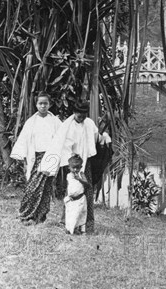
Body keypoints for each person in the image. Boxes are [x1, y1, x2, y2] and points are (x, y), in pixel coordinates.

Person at [40, 100, 111, 233]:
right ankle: (67, 223)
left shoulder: (89, 123)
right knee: (72, 193)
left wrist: (105, 138)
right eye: (79, 116)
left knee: (87, 192)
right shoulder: (68, 126)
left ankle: (87, 225)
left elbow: (96, 138)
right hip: (73, 164)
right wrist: (73, 165)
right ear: (74, 113)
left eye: (84, 115)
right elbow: (63, 146)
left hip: (86, 162)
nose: (82, 118)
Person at [10, 92, 62, 225]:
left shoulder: (55, 122)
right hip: (35, 157)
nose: (43, 106)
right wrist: (24, 159)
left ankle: (39, 217)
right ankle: (25, 214)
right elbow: (24, 140)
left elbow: (62, 138)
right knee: (32, 187)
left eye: (46, 103)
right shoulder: (31, 122)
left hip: (50, 158)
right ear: (36, 104)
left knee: (45, 189)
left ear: (50, 104)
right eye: (40, 103)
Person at [63, 154, 90, 234]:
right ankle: (70, 229)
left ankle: (81, 230)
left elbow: (87, 184)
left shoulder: (81, 174)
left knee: (80, 214)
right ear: (69, 167)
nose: (75, 170)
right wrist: (68, 196)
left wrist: (80, 179)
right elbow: (69, 186)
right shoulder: (68, 175)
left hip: (80, 199)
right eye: (73, 168)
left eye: (77, 168)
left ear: (81, 167)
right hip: (72, 199)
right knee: (71, 214)